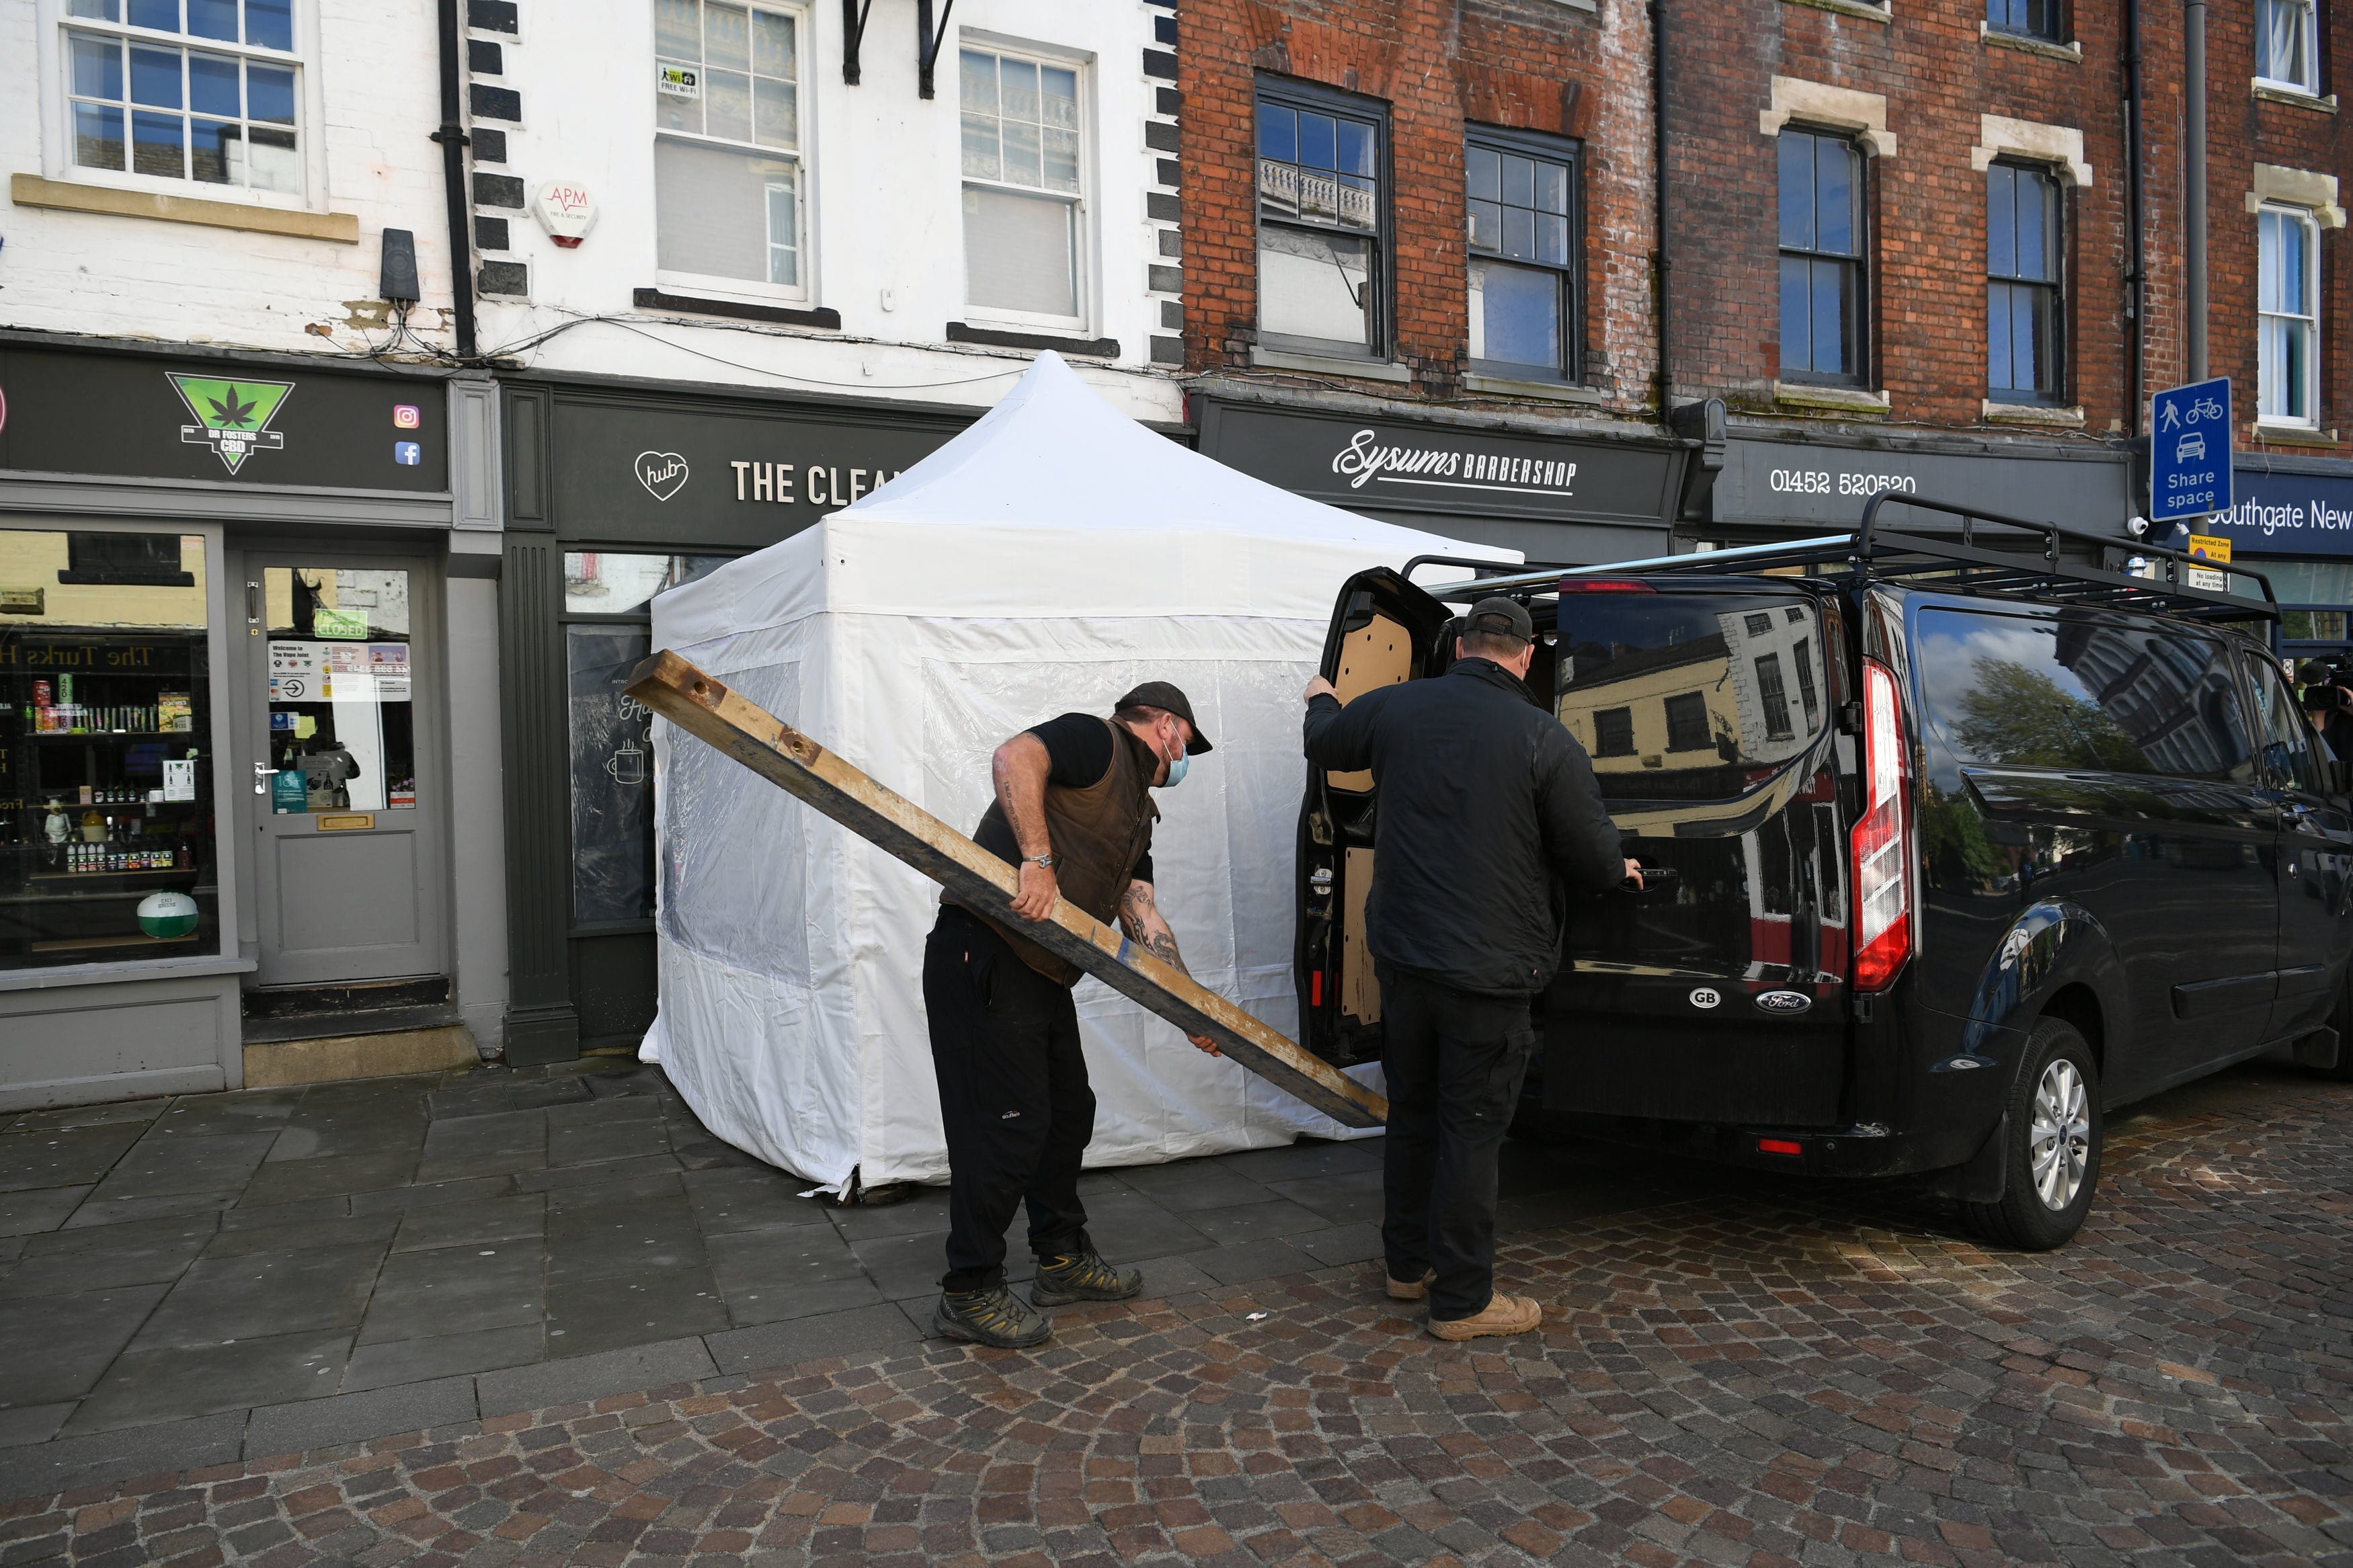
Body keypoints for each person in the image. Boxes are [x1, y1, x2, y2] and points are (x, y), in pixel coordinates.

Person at [1302, 597, 1634, 1342]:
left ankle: (1404, 1266)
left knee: (1414, 1116)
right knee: (1472, 1131)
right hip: (1488, 973)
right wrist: (1622, 867)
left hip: (1404, 962)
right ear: (1521, 658)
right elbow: (1592, 858)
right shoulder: (1543, 736)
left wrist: (1321, 697)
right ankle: (1461, 1300)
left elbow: (1325, 742)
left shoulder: (1393, 706)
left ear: (1458, 649)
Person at [924, 681, 1220, 1349]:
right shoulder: (1098, 741)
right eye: (1186, 745)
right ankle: (968, 1289)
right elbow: (1013, 757)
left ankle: (1060, 1258)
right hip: (984, 946)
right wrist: (1036, 861)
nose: (1184, 759)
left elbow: (1141, 915)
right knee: (1004, 1125)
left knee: (1064, 1113)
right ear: (1168, 727)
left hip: (1042, 970)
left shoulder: (1135, 816)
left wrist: (1189, 1009)